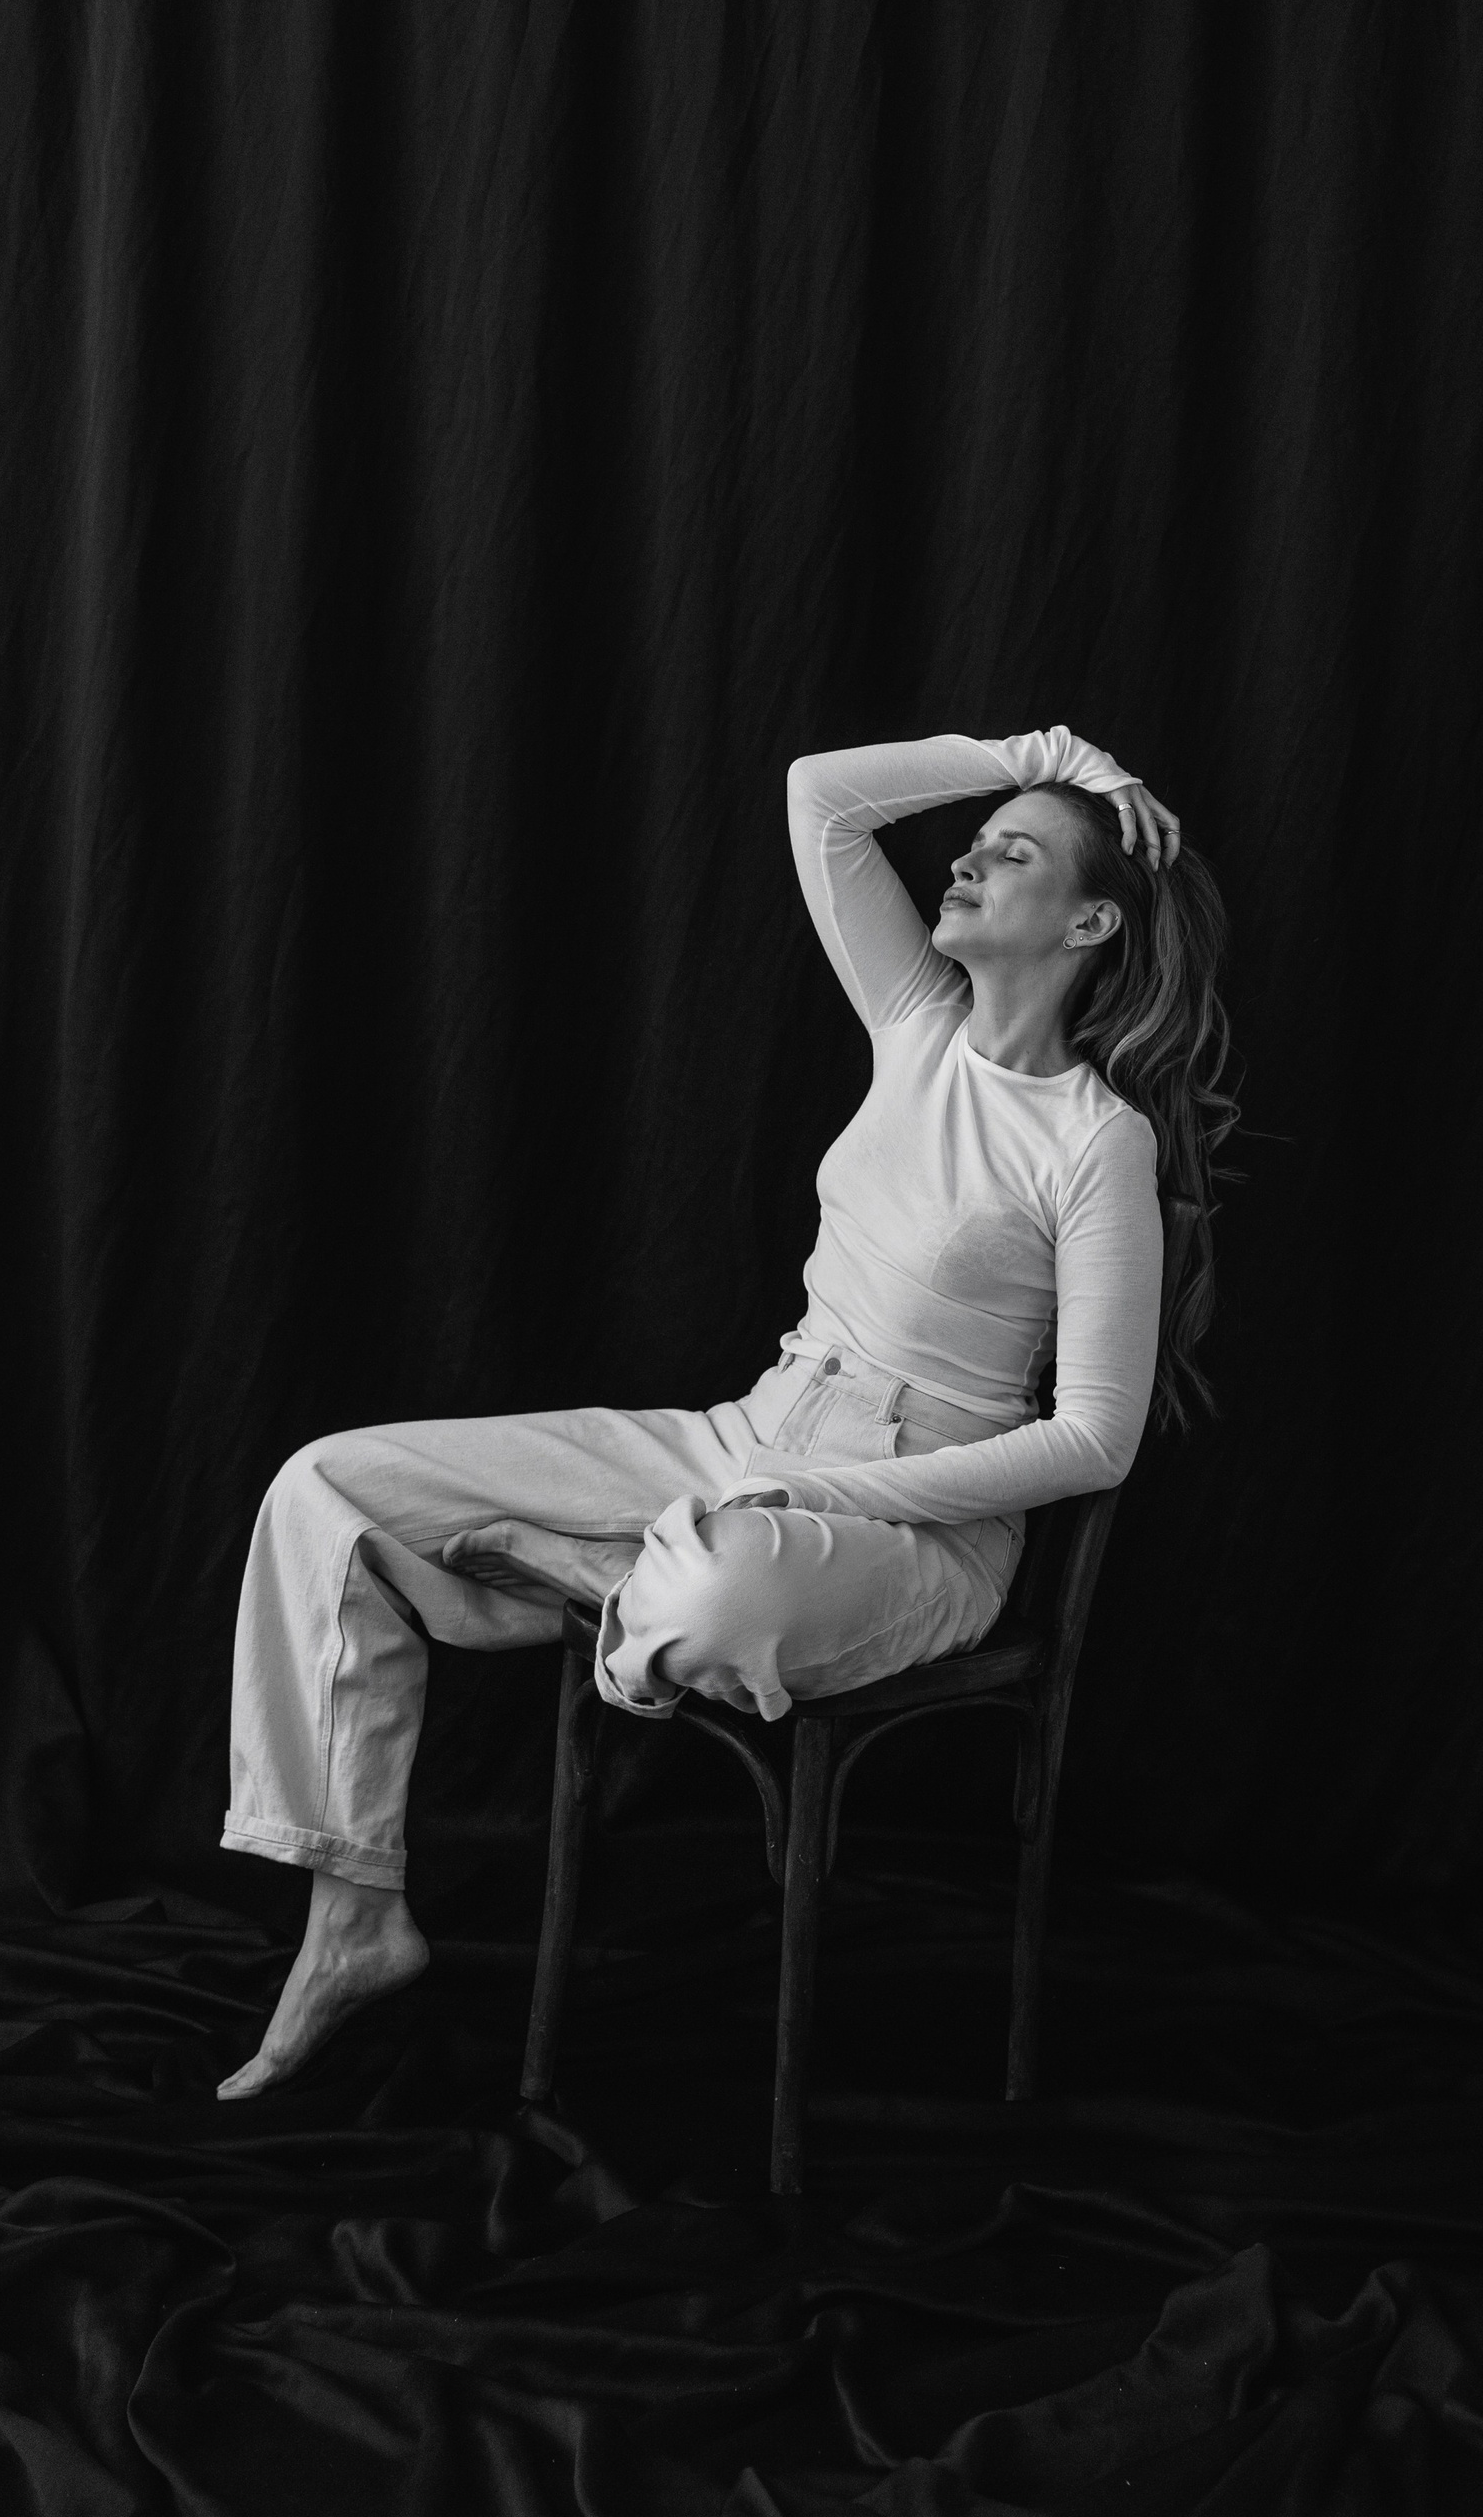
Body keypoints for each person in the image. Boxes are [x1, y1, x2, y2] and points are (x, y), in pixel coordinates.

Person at [216, 725, 1237, 2098]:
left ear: (1090, 922)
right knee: (327, 1487)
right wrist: (1044, 751)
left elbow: (1092, 1441)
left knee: (719, 1595)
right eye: (978, 838)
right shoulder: (916, 1024)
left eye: (1013, 853)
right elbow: (823, 798)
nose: (967, 860)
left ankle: (602, 1585)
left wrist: (822, 1495)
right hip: (750, 1432)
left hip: (921, 1524)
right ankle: (353, 1916)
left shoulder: (1097, 1141)